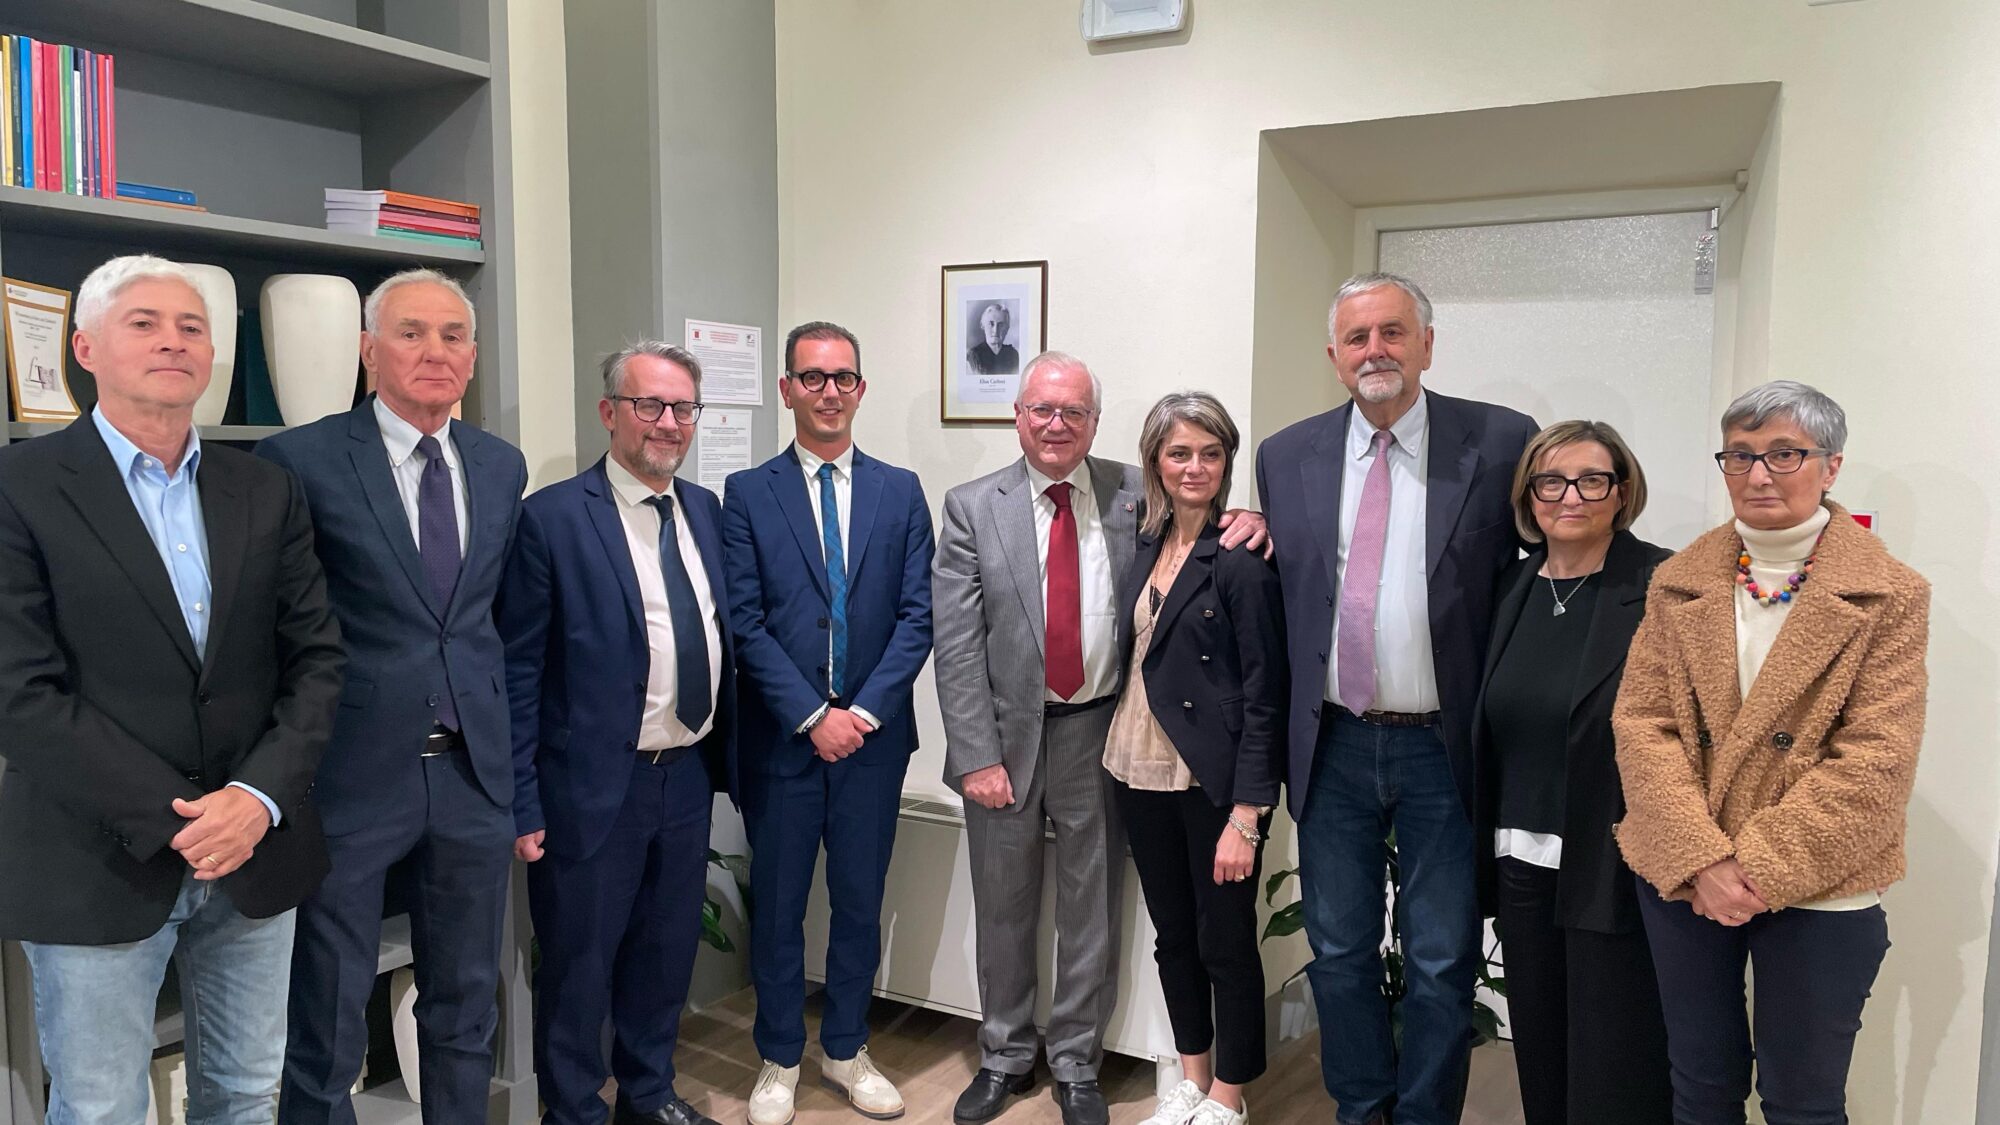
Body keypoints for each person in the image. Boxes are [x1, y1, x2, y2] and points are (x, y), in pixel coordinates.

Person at [0, 254, 344, 1123]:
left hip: (256, 848)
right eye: (144, 322)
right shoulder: (19, 487)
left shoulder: (264, 486)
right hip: (94, 856)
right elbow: (20, 691)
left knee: (245, 1095)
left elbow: (316, 660)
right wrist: (186, 820)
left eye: (193, 326)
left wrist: (255, 799)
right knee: (100, 1107)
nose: (174, 341)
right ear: (85, 347)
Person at [933, 352, 1265, 1125]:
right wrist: (976, 754)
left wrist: (1256, 518)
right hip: (1004, 740)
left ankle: (1077, 1061)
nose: (1057, 425)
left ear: (1094, 421)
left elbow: (1202, 512)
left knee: (1093, 908)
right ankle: (1005, 1054)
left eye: (1074, 412)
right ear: (1019, 415)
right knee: (1004, 905)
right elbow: (955, 644)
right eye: (1043, 410)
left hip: (1101, 732)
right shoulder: (971, 507)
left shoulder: (1131, 494)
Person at [1254, 271, 1537, 1125]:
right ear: (1334, 356)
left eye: (1392, 332)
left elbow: (1542, 560)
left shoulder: (1500, 441)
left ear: (1426, 344)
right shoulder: (1286, 455)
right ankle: (1361, 1109)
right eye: (1357, 337)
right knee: (1339, 951)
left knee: (1443, 959)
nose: (1374, 350)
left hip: (1443, 748)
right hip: (1333, 743)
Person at [1615, 381, 1928, 1125]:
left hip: (1823, 882)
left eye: (1785, 454)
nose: (1758, 474)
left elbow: (1877, 758)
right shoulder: (1678, 581)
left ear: (1831, 465)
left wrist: (1751, 870)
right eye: (1740, 455)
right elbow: (1644, 723)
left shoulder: (1890, 594)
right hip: (1688, 876)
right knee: (1700, 1088)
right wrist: (1702, 860)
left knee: (1803, 1102)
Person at [258, 268, 530, 1122]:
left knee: (465, 1005)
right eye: (411, 333)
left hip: (472, 774)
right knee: (328, 1015)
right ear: (369, 351)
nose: (435, 351)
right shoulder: (300, 460)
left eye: (453, 335)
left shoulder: (500, 465)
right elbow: (273, 627)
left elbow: (490, 621)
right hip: (350, 775)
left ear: (473, 356)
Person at [497, 341, 737, 1125]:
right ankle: (572, 1110)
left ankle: (648, 1094)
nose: (668, 422)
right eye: (649, 404)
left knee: (664, 952)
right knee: (579, 963)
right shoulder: (552, 519)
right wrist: (523, 800)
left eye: (683, 408)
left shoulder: (705, 512)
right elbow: (519, 672)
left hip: (686, 774)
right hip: (593, 784)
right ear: (609, 412)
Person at [722, 322, 935, 1125]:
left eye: (843, 377)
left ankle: (846, 1047)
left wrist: (863, 713)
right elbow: (744, 621)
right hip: (783, 741)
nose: (829, 391)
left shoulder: (900, 490)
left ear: (861, 389)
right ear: (786, 389)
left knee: (858, 902)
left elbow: (918, 616)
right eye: (812, 377)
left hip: (873, 746)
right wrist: (813, 715)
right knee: (779, 909)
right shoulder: (748, 493)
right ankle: (780, 1055)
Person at [1470, 421, 1671, 1125]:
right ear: (1530, 494)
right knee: (1540, 1044)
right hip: (1520, 859)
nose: (1571, 497)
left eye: (1592, 480)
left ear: (1622, 490)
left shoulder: (1662, 585)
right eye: (1551, 481)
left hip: (1613, 860)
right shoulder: (1510, 586)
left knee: (1615, 1055)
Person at [1112, 393, 1285, 1125]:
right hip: (1136, 767)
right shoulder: (1143, 541)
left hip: (1211, 779)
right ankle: (1191, 1075)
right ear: (1155, 460)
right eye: (1179, 452)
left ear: (1226, 462)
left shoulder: (1241, 558)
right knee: (1174, 936)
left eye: (1210, 454)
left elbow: (1266, 693)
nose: (1195, 467)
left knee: (1226, 941)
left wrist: (1247, 814)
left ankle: (1229, 1095)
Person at [966, 303, 1020, 375]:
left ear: (1007, 328)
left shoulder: (1013, 354)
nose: (995, 330)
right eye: (991, 324)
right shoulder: (974, 355)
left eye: (1001, 325)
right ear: (983, 326)